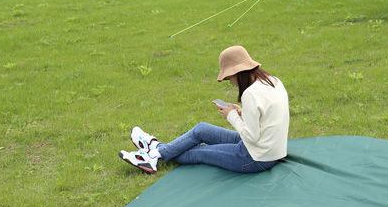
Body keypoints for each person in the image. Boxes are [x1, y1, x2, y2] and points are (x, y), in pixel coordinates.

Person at [119, 45, 289, 175]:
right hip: (268, 148)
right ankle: (156, 151)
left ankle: (153, 154)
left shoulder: (250, 94)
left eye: (229, 77)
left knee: (197, 152)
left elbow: (252, 136)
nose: (230, 81)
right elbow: (265, 116)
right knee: (201, 129)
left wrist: (231, 116)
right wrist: (241, 112)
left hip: (255, 158)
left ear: (239, 73)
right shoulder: (272, 81)